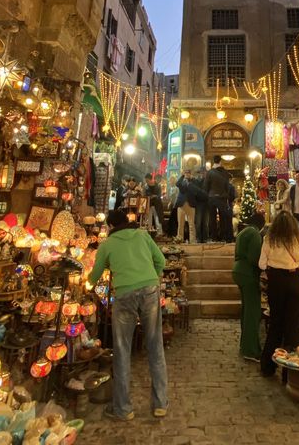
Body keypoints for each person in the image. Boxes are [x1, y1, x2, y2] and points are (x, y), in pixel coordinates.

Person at [87, 209, 168, 421]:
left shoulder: (107, 245)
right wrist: (151, 277)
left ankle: (123, 409)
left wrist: (88, 281)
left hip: (124, 295)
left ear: (111, 226)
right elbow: (161, 261)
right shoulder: (142, 235)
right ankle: (160, 404)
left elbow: (95, 276)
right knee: (155, 346)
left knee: (122, 349)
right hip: (150, 290)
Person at [259, 211, 299, 377]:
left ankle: (267, 366)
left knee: (276, 323)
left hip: (276, 282)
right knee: (293, 325)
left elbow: (261, 264)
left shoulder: (269, 239)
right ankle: (292, 372)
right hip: (294, 280)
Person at [232, 212, 265, 362]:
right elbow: (255, 257)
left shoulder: (243, 232)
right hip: (248, 273)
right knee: (253, 312)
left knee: (246, 310)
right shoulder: (254, 234)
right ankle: (251, 350)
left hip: (238, 271)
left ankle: (244, 345)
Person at [204, 155, 233, 242]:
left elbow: (206, 186)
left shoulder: (209, 173)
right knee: (223, 218)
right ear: (220, 161)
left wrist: (208, 195)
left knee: (212, 218)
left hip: (212, 197)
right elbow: (227, 186)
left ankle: (214, 237)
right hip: (222, 197)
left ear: (214, 161)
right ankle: (223, 236)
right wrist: (226, 194)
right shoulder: (225, 172)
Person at [176, 169, 196, 243]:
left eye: (188, 173)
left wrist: (192, 178)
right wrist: (182, 176)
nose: (187, 174)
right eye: (186, 173)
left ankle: (192, 241)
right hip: (181, 204)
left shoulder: (193, 181)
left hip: (191, 204)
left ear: (190, 174)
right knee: (180, 224)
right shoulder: (182, 182)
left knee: (191, 224)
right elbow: (177, 184)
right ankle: (179, 240)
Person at [193, 168, 209, 243]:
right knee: (198, 222)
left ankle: (205, 238)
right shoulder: (196, 181)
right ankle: (198, 238)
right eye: (201, 173)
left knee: (205, 222)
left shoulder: (208, 182)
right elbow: (196, 192)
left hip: (206, 204)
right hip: (199, 203)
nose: (202, 174)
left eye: (204, 172)